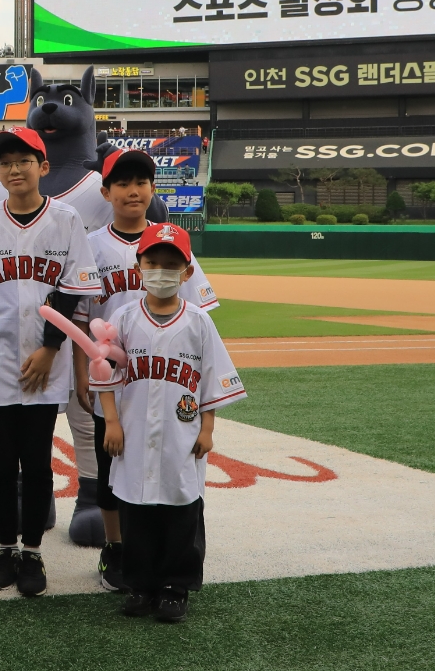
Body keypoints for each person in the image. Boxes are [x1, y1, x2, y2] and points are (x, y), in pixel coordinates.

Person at [0, 127, 100, 598]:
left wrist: (50, 348)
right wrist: (3, 339)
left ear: (43, 166)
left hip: (49, 359)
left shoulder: (65, 219)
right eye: (5, 162)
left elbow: (72, 288)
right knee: (0, 464)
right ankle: (5, 548)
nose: (14, 169)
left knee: (37, 463)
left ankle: (33, 552)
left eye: (24, 160)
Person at [76, 149, 219, 592]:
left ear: (153, 189)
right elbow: (82, 316)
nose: (132, 190)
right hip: (117, 383)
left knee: (176, 466)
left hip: (168, 378)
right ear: (107, 192)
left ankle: (177, 559)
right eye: (122, 182)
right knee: (112, 469)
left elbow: (202, 319)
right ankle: (118, 551)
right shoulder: (92, 245)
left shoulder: (171, 242)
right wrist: (86, 370)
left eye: (141, 181)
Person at [97, 225, 245, 623]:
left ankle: (175, 587)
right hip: (132, 432)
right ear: (138, 266)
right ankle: (139, 584)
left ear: (187, 272)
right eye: (152, 263)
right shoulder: (124, 317)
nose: (160, 271)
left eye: (171, 264)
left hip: (182, 434)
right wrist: (111, 420)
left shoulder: (198, 322)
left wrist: (208, 428)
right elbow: (105, 374)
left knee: (181, 511)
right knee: (137, 514)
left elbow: (212, 378)